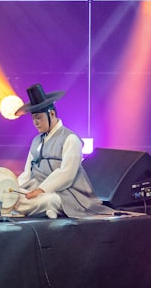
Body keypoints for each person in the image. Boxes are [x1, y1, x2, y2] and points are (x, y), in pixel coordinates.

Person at [13, 83, 113, 219]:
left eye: (39, 118)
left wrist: (41, 189)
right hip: (36, 189)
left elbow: (67, 174)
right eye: (33, 119)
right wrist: (15, 188)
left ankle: (48, 207)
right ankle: (43, 208)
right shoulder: (36, 141)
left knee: (49, 200)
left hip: (65, 193)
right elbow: (27, 172)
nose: (35, 123)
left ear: (52, 114)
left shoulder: (70, 139)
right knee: (10, 195)